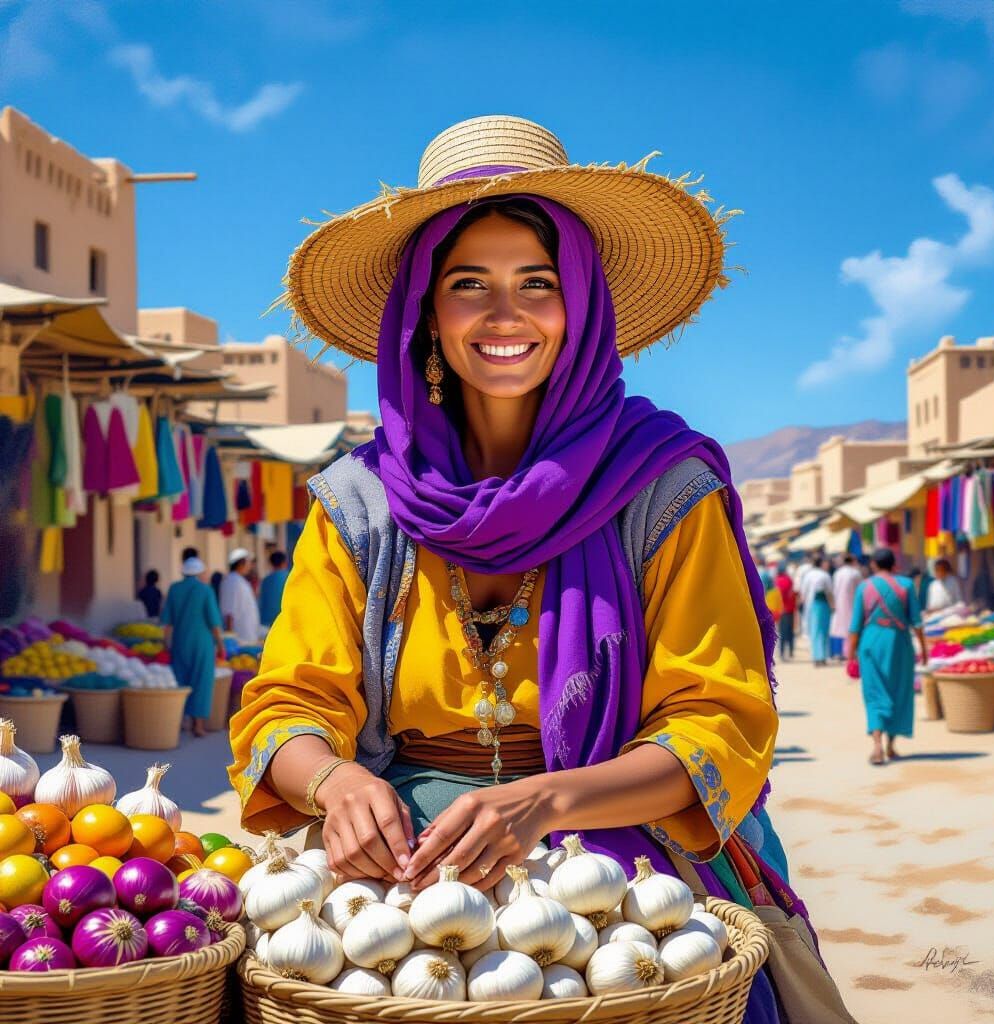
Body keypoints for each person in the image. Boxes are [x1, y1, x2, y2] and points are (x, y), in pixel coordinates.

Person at [227, 115, 842, 1021]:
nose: (504, 314)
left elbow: (718, 719)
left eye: (538, 284)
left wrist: (545, 803)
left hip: (617, 837)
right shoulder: (356, 504)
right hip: (405, 854)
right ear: (427, 313)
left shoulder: (665, 487)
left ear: (581, 305)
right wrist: (335, 782)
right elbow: (289, 702)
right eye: (468, 283)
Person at [847, 548, 926, 766]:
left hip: (871, 643)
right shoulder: (907, 585)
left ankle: (876, 746)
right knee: (898, 691)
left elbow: (855, 626)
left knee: (874, 693)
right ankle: (891, 745)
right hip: (898, 643)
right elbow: (917, 622)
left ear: (873, 564)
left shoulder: (864, 587)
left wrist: (850, 654)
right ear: (893, 564)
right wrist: (924, 649)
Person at [161, 556, 225, 738]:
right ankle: (198, 725)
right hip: (202, 643)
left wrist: (166, 642)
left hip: (180, 641)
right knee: (202, 682)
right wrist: (220, 645)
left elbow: (167, 622)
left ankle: (182, 721)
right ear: (200, 573)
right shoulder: (205, 590)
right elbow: (214, 622)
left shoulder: (174, 589)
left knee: (181, 680)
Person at [219, 547, 261, 642]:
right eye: (248, 563)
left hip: (247, 635)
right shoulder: (232, 581)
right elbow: (229, 611)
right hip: (239, 637)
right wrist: (230, 637)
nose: (250, 566)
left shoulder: (239, 580)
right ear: (241, 563)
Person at [800, 556, 834, 666]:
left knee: (815, 631)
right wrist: (833, 606)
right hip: (823, 605)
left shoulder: (808, 575)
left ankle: (817, 657)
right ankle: (822, 656)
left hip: (812, 605)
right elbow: (830, 592)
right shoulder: (825, 575)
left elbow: (803, 592)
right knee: (824, 631)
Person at [829, 555, 862, 661]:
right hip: (853, 603)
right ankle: (850, 652)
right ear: (853, 561)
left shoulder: (837, 573)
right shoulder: (855, 573)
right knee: (851, 627)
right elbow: (860, 589)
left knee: (840, 627)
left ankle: (841, 652)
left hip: (839, 602)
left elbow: (833, 589)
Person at [259, 550, 290, 627]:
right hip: (286, 622)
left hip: (267, 623)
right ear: (284, 562)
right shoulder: (290, 578)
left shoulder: (265, 581)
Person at [774, 563, 797, 661]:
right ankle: (791, 651)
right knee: (790, 631)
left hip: (782, 609)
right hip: (790, 608)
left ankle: (782, 653)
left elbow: (779, 595)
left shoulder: (778, 580)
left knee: (783, 631)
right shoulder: (789, 579)